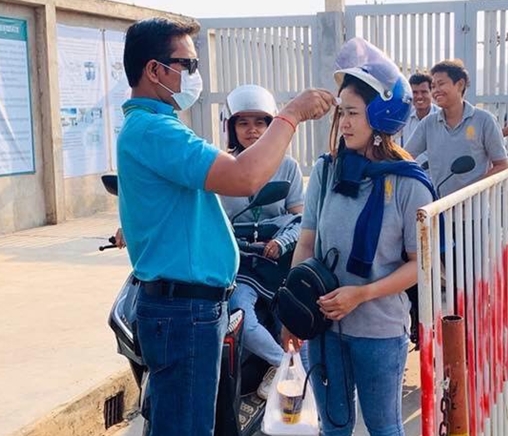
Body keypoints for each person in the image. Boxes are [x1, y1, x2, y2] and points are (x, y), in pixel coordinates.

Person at [117, 17, 334, 436]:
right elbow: (243, 177)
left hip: (192, 307)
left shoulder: (157, 128)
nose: (193, 75)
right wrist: (291, 115)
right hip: (184, 310)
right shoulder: (156, 131)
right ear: (155, 70)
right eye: (187, 65)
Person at [282, 37, 437, 436]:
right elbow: (306, 243)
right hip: (324, 327)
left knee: (384, 426)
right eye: (341, 112)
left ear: (381, 115)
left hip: (379, 330)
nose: (344, 122)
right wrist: (294, 306)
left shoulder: (409, 185)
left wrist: (362, 294)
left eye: (353, 113)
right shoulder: (326, 171)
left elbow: (420, 265)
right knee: (333, 427)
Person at [218, 84, 304, 400]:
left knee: (293, 320)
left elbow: (300, 219)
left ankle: (295, 370)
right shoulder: (220, 165)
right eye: (243, 123)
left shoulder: (287, 166)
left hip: (278, 261)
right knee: (239, 313)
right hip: (239, 262)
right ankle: (285, 365)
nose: (252, 130)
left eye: (260, 123)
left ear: (271, 126)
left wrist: (282, 242)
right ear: (231, 128)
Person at [404, 59, 508, 197]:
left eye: (441, 84)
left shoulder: (485, 121)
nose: (436, 91)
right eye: (433, 86)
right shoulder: (428, 123)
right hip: (440, 205)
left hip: (475, 207)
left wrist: (470, 193)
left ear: (460, 85)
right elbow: (406, 156)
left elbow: (502, 165)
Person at [398, 72, 439, 147]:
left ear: (431, 92)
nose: (419, 96)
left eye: (424, 92)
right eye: (415, 92)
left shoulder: (442, 117)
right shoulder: (403, 116)